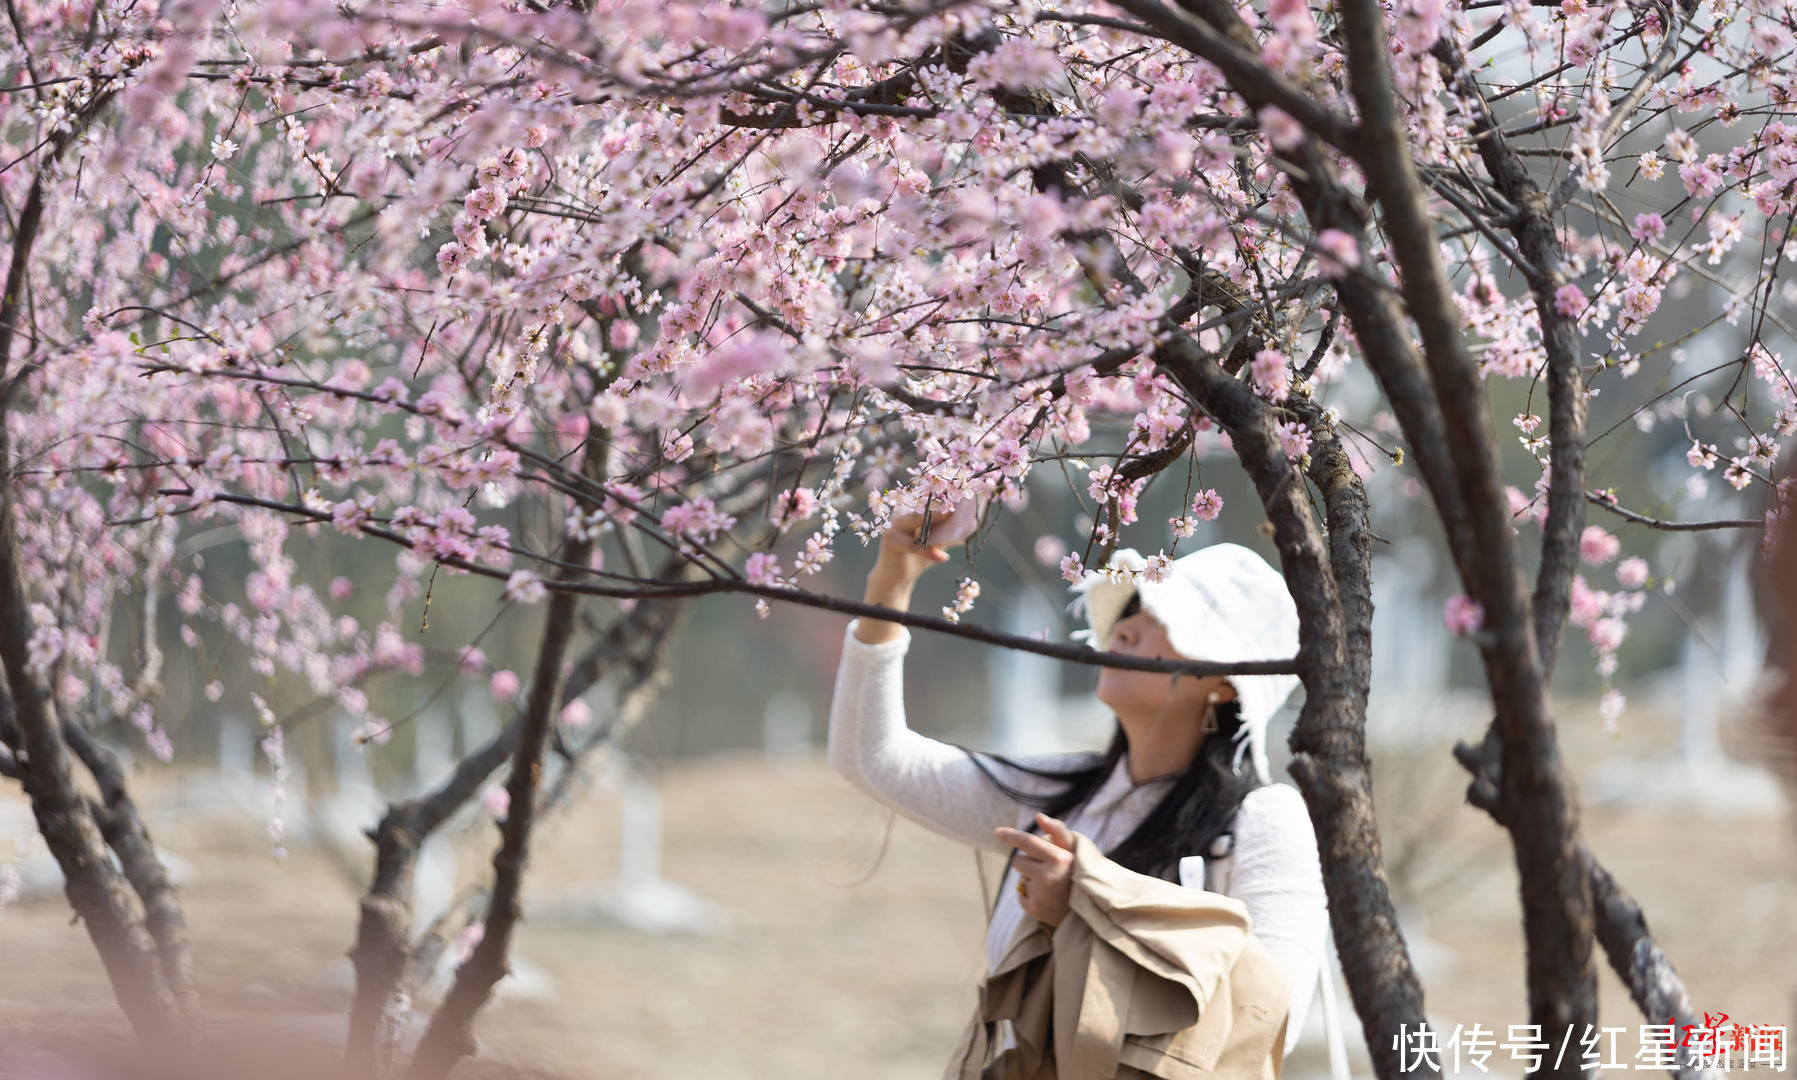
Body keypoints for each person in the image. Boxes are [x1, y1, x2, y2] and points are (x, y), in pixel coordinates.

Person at [827, 510, 1331, 1077]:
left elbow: (1270, 1013)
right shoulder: (1062, 795)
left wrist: (1087, 904)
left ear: (1222, 684)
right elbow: (873, 758)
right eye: (1127, 609)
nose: (1125, 627)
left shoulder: (1262, 817)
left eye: (1160, 616)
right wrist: (891, 582)